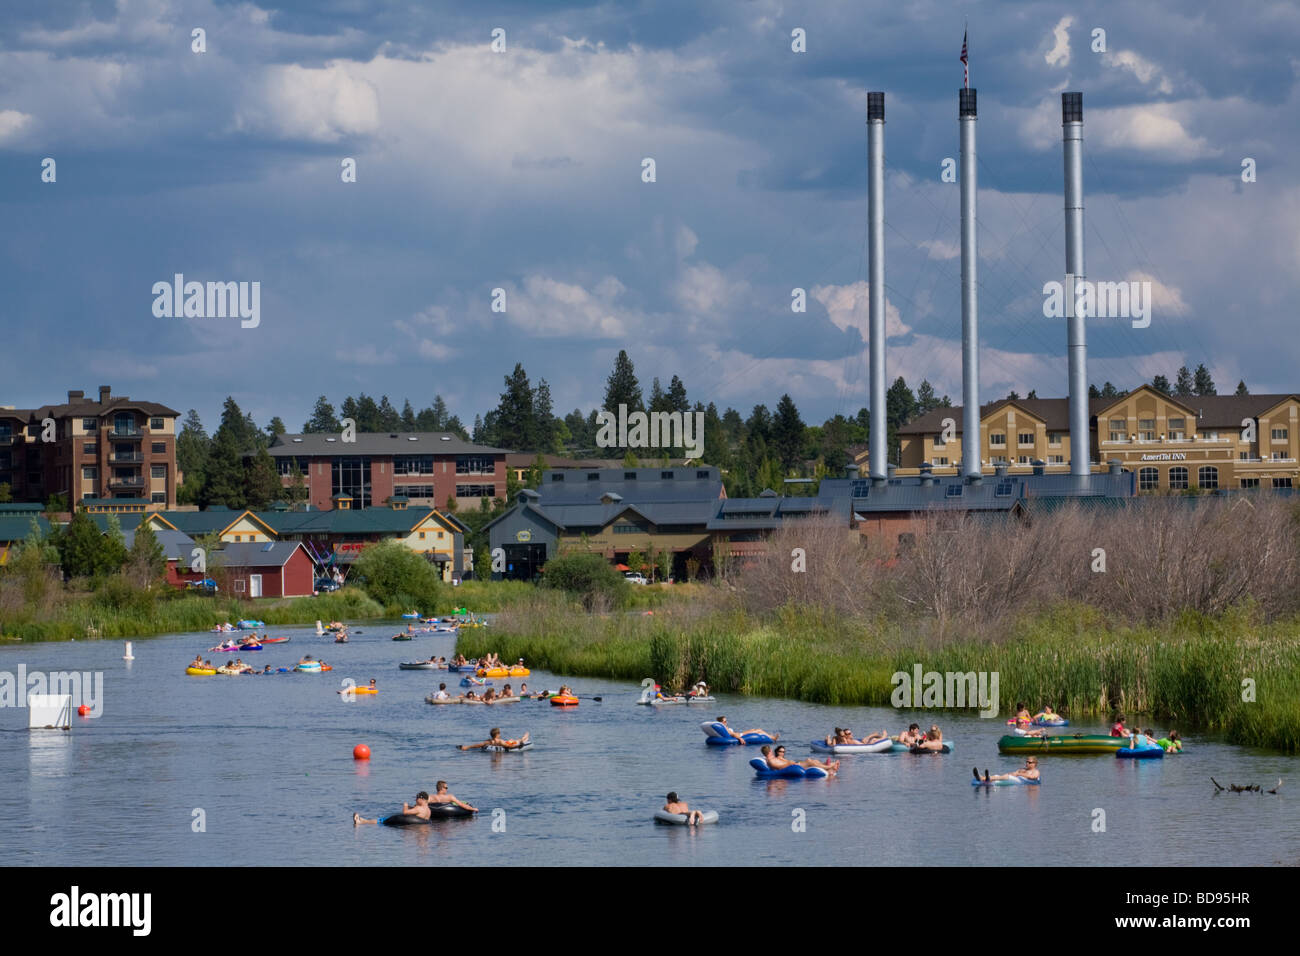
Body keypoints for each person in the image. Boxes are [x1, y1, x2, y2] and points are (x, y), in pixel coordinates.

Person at [354, 791, 431, 825]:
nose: (415, 800)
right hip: (420, 826)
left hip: (409, 823)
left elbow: (405, 813)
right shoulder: (428, 810)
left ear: (422, 799)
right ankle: (364, 820)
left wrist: (405, 805)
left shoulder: (418, 808)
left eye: (417, 798)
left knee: (382, 820)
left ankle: (361, 822)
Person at [760, 744, 838, 775]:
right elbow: (778, 767)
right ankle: (829, 767)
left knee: (812, 760)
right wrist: (789, 763)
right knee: (810, 762)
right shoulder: (771, 760)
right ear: (770, 751)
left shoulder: (771, 758)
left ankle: (826, 766)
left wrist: (789, 762)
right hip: (791, 766)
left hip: (792, 764)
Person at [975, 756, 1039, 783]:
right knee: (998, 776)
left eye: (1029, 762)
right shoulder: (1022, 769)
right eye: (1026, 761)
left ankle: (983, 778)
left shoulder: (1035, 771)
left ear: (1034, 764)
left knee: (1006, 777)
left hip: (1023, 781)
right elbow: (1015, 773)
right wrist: (1012, 773)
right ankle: (984, 778)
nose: (1027, 763)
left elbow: (1033, 777)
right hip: (1017, 779)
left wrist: (1018, 774)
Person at [457, 728, 529, 751]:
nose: (500, 734)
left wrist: (467, 747)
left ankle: (524, 738)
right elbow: (509, 746)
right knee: (520, 739)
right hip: (508, 743)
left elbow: (478, 745)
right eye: (499, 733)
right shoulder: (500, 741)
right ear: (497, 735)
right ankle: (524, 737)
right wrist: (519, 746)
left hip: (505, 743)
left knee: (511, 740)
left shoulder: (489, 741)